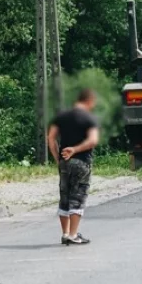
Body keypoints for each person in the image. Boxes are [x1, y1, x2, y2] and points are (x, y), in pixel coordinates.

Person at [47, 89, 100, 245]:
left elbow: (51, 138)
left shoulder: (61, 117)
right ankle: (73, 234)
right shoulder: (89, 118)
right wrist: (75, 150)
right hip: (82, 162)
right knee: (77, 196)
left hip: (64, 162)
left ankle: (65, 233)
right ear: (89, 101)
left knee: (65, 196)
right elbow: (93, 141)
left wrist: (58, 158)